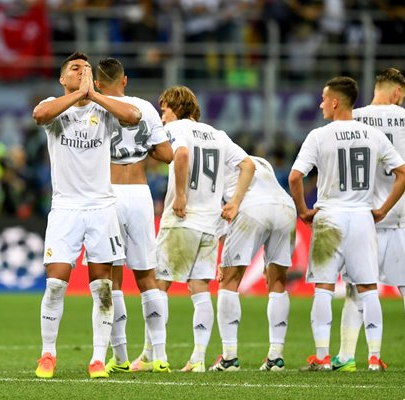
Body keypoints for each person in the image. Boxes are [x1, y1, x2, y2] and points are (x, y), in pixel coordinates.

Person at [288, 76, 405, 372]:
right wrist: (382, 209)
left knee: (324, 287)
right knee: (368, 288)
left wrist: (304, 211)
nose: (320, 104)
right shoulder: (373, 135)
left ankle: (323, 356)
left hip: (329, 216)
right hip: (362, 217)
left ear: (334, 102)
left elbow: (295, 177)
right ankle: (373, 358)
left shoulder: (319, 136)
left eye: (322, 98)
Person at [32, 52, 141, 379]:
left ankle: (97, 359)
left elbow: (134, 116)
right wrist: (79, 94)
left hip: (100, 208)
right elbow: (39, 115)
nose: (81, 73)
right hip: (65, 208)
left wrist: (94, 95)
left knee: (102, 287)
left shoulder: (102, 109)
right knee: (54, 283)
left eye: (86, 70)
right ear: (63, 79)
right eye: (74, 69)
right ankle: (47, 354)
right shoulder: (55, 107)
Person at [334, 68, 405, 372]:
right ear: (397, 93)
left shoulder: (354, 117)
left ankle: (348, 356)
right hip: (398, 215)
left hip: (363, 215)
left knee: (356, 289)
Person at [153, 86, 254, 372]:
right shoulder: (217, 134)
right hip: (211, 222)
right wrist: (234, 202)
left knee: (159, 284)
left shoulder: (176, 128)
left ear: (175, 107)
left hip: (184, 218)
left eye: (163, 110)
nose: (162, 117)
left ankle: (155, 356)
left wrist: (182, 196)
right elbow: (248, 165)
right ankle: (197, 358)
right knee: (199, 289)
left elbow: (181, 155)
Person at [94, 58, 173, 374]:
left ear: (98, 83)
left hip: (108, 193)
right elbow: (166, 155)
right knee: (146, 276)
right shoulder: (146, 109)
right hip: (140, 194)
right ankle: (161, 355)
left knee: (113, 275)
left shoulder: (95, 107)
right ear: (124, 80)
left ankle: (121, 355)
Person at [209, 155, 296, 372]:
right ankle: (276, 357)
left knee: (229, 281)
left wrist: (223, 261)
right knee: (277, 282)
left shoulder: (215, 164)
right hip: (286, 207)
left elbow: (222, 211)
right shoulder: (261, 161)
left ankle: (229, 358)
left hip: (252, 208)